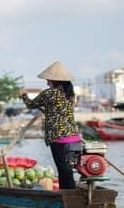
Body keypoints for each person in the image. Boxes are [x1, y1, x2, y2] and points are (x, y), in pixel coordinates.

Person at [19, 61, 81, 189]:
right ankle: (69, 194)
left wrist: (24, 95)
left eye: (49, 80)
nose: (47, 82)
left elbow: (30, 104)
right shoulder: (71, 95)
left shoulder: (49, 93)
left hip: (59, 138)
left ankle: (68, 196)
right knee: (68, 171)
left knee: (63, 170)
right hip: (74, 139)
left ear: (55, 80)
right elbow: (57, 109)